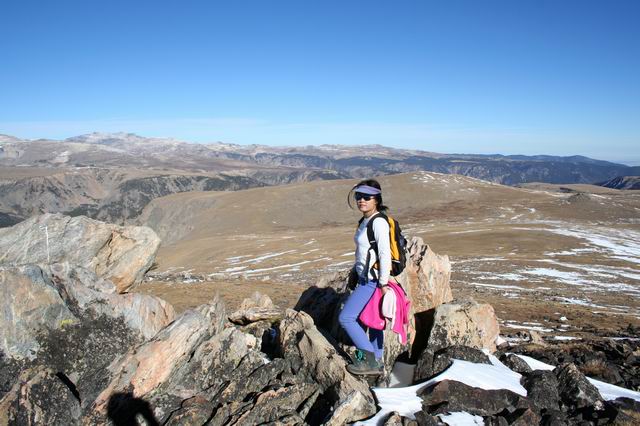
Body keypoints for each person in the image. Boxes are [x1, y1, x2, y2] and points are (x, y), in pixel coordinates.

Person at [339, 179, 392, 376]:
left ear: (376, 199)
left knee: (347, 318)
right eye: (358, 196)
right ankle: (376, 362)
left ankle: (368, 359)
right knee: (373, 321)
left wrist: (383, 283)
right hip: (365, 277)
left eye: (366, 197)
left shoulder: (378, 222)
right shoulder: (365, 221)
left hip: (373, 280)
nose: (361, 200)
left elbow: (385, 253)